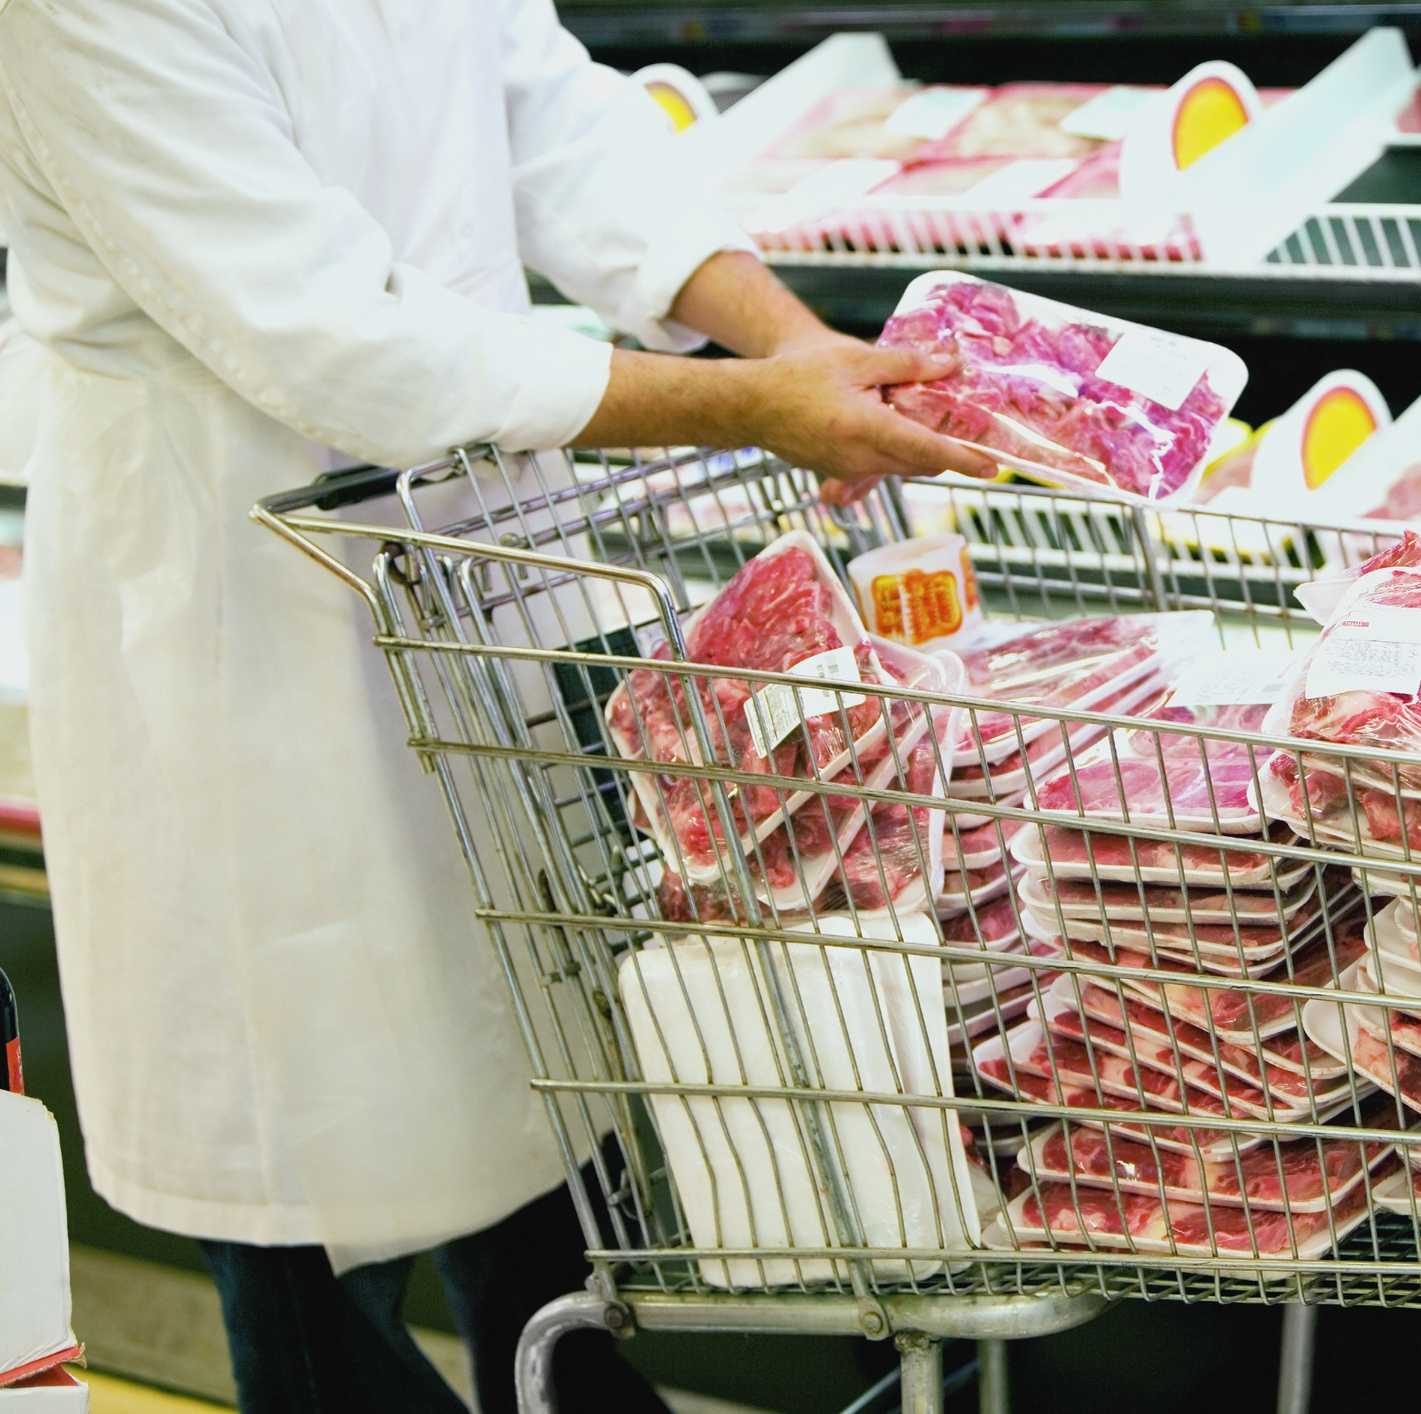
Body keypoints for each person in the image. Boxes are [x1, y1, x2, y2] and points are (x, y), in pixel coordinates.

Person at [0, 2, 995, 1410]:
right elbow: (340, 339)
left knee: (526, 1100)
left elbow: (552, 117)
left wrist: (783, 338)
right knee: (304, 1195)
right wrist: (754, 406)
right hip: (237, 602)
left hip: (479, 560)